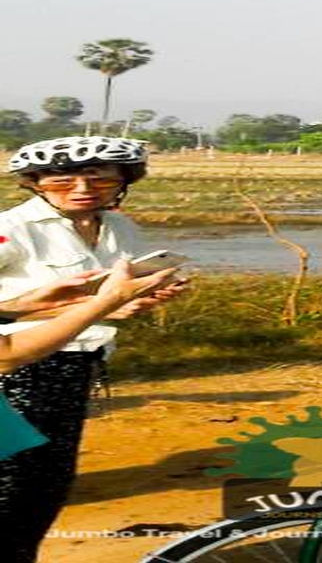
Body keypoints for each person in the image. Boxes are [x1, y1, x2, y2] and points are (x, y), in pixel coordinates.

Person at [0, 137, 186, 561]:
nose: (83, 189)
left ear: (124, 181)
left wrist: (125, 303)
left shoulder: (120, 227)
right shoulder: (11, 229)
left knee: (47, 483)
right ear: (35, 183)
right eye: (62, 181)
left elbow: (88, 300)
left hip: (78, 365)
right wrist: (100, 304)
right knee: (11, 484)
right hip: (15, 371)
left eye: (99, 179)